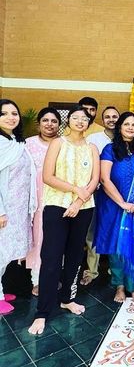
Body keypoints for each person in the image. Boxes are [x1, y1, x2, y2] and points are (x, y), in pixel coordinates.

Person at [28, 105, 100, 335]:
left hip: (84, 207)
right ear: (68, 121)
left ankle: (67, 299)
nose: (80, 121)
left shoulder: (92, 148)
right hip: (56, 206)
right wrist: (75, 190)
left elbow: (95, 180)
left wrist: (78, 202)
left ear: (89, 123)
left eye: (84, 118)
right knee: (51, 257)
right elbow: (47, 176)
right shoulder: (58, 143)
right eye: (75, 117)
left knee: (75, 255)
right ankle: (42, 312)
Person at [95, 112, 134, 303]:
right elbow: (104, 179)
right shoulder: (110, 149)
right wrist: (122, 203)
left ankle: (133, 285)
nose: (130, 128)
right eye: (126, 124)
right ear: (120, 127)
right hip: (114, 205)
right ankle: (120, 286)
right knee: (117, 246)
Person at [0, 99, 37, 315]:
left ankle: (1, 290)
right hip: (4, 209)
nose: (10, 117)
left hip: (18, 208)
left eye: (14, 113)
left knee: (7, 253)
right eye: (4, 113)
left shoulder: (16, 142)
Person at [80, 106, 120, 287]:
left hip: (118, 193)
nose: (111, 119)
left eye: (114, 117)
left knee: (115, 230)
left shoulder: (125, 138)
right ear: (102, 120)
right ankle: (92, 270)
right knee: (92, 231)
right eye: (107, 117)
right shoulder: (93, 139)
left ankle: (115, 269)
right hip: (96, 191)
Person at [26, 107, 61, 296]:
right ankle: (37, 280)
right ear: (38, 123)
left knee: (56, 239)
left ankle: (53, 277)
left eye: (54, 121)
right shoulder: (28, 144)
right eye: (45, 120)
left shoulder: (64, 144)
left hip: (58, 198)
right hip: (34, 200)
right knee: (38, 238)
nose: (49, 124)